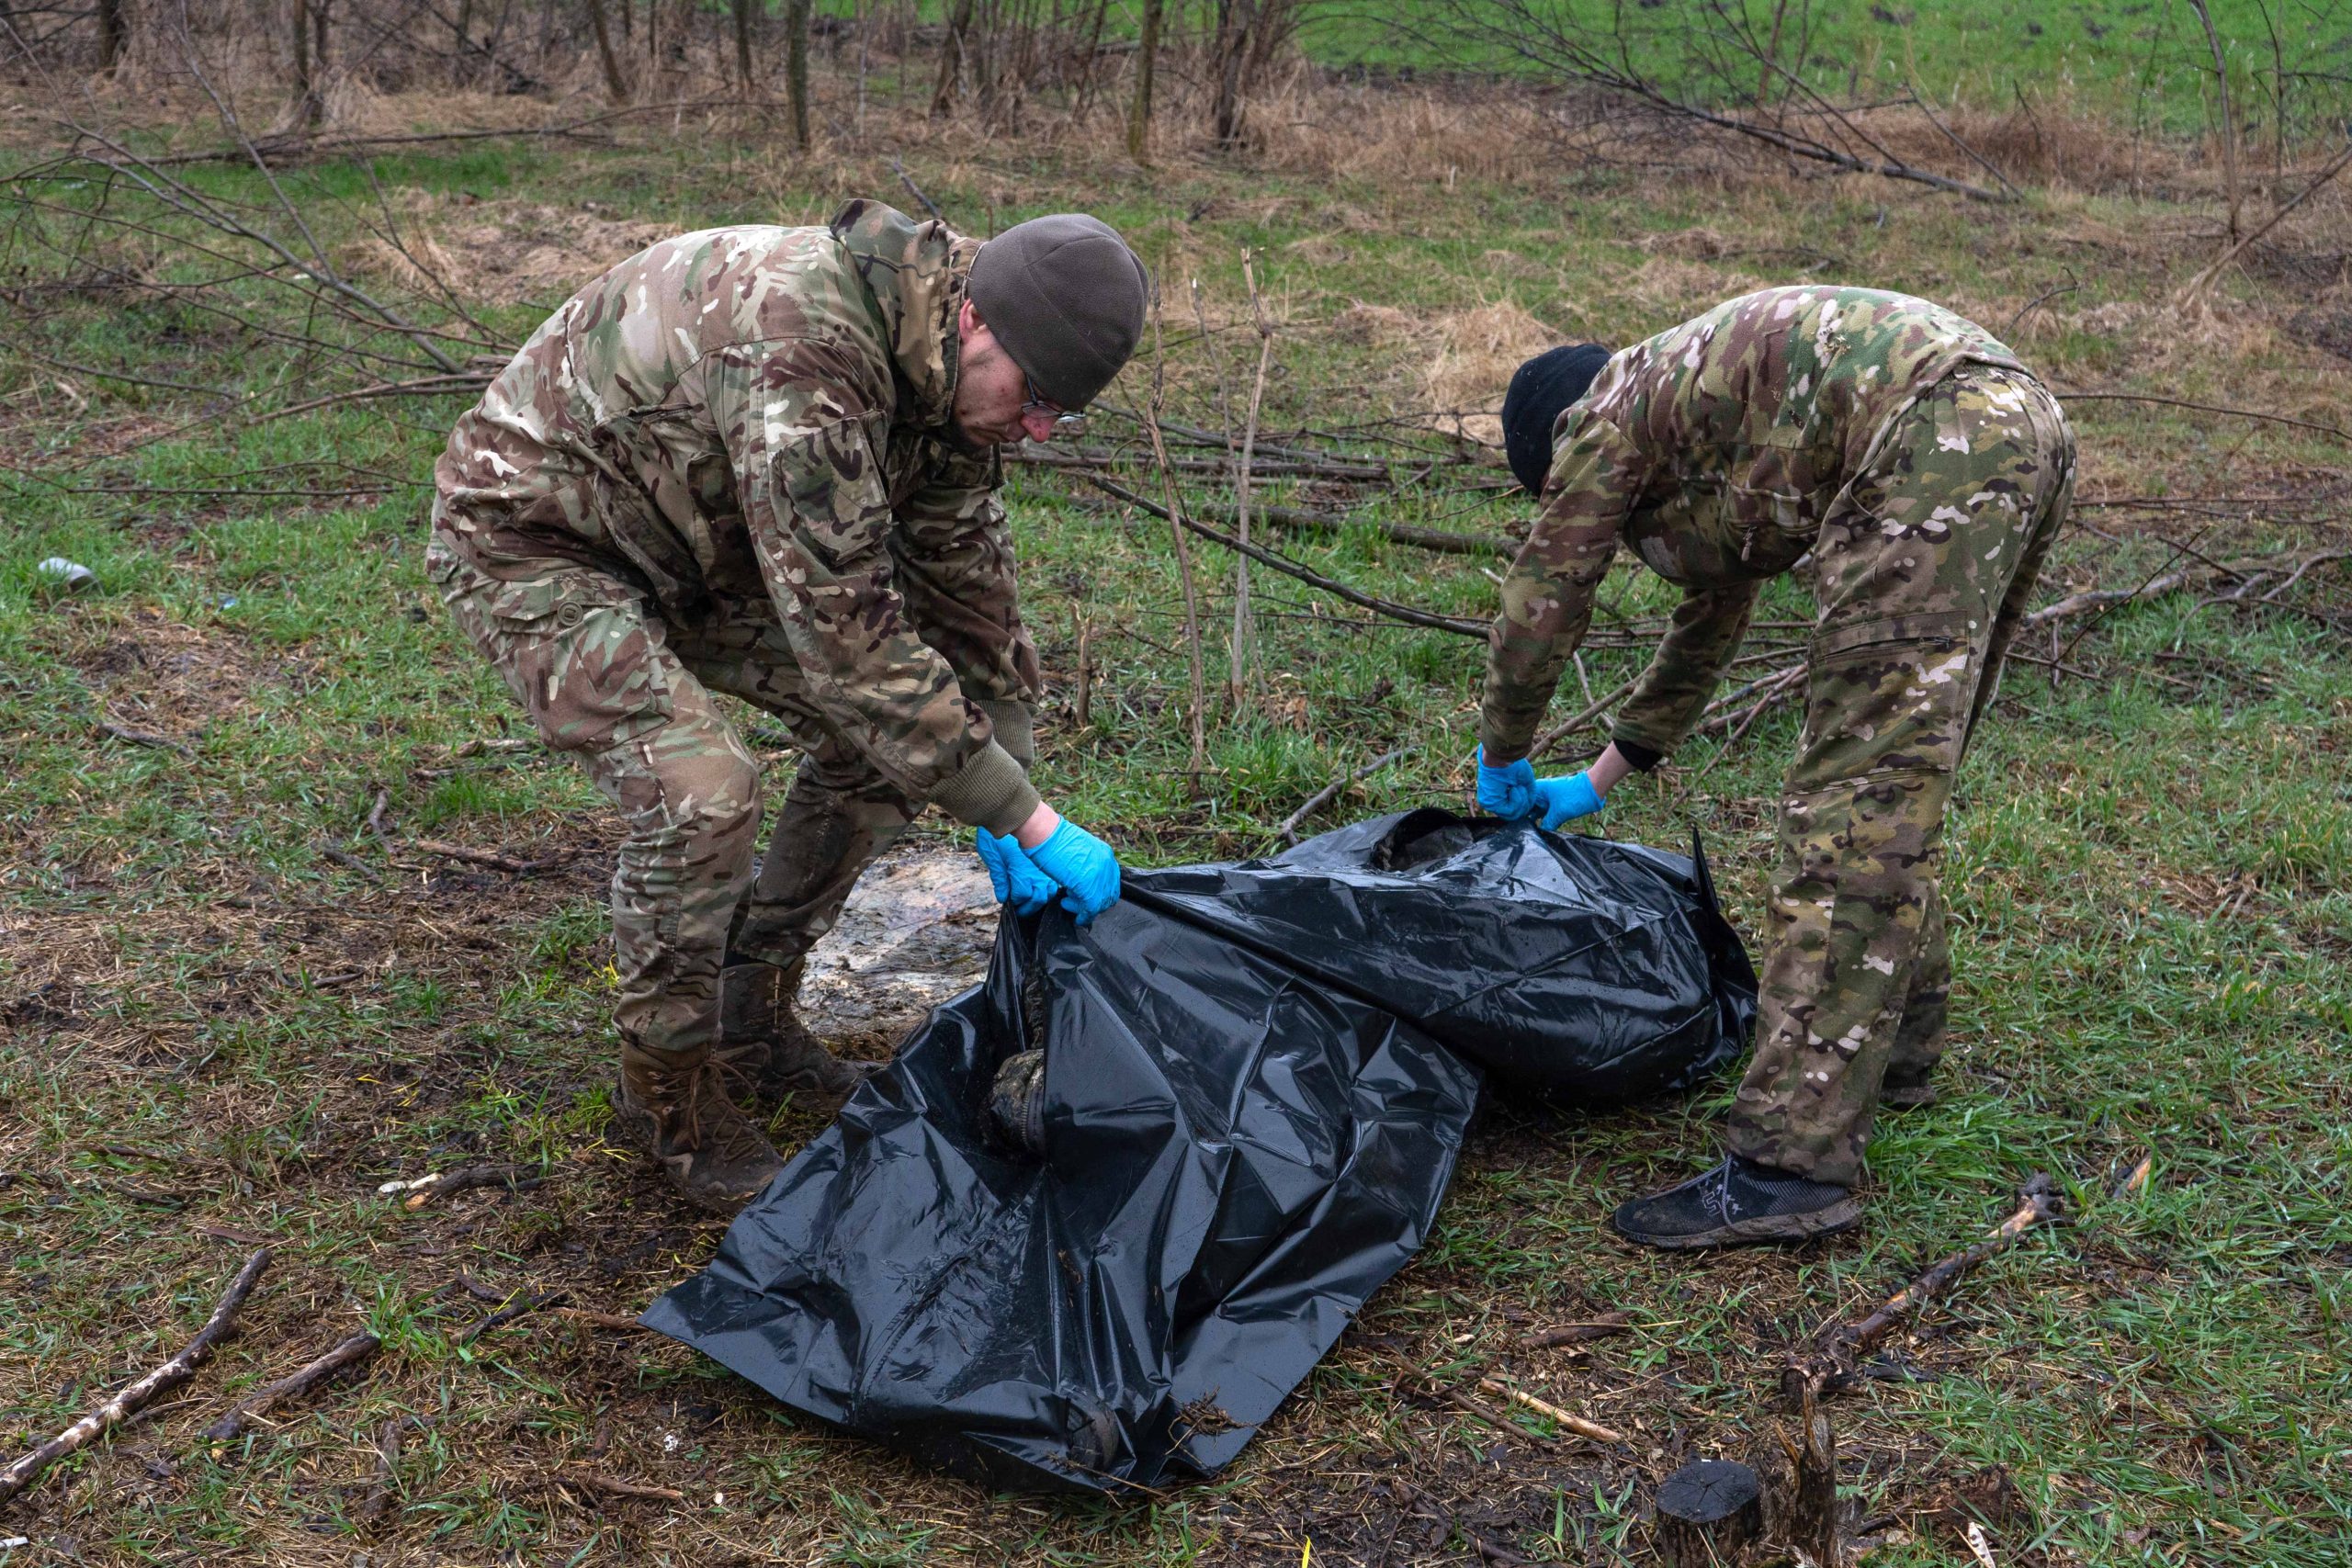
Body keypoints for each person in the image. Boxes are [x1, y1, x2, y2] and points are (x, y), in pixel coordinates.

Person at [426, 199, 1143, 1209]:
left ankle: (749, 1014)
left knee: (898, 749)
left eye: (1061, 417)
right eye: (1036, 398)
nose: (1035, 431)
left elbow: (967, 595)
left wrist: (1012, 785)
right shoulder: (809, 348)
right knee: (704, 795)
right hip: (536, 537)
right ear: (980, 320)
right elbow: (849, 637)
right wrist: (1023, 817)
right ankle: (670, 1106)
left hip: (697, 550)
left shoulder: (947, 374)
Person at [1476, 286, 2075, 1247]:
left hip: (1930, 434)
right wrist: (1597, 781)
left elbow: (1542, 599)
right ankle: (1898, 1059)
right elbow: (1711, 619)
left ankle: (1787, 1165)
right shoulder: (1702, 412)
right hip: (2016, 421)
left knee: (1850, 810)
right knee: (1896, 787)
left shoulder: (1601, 416)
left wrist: (1500, 752)